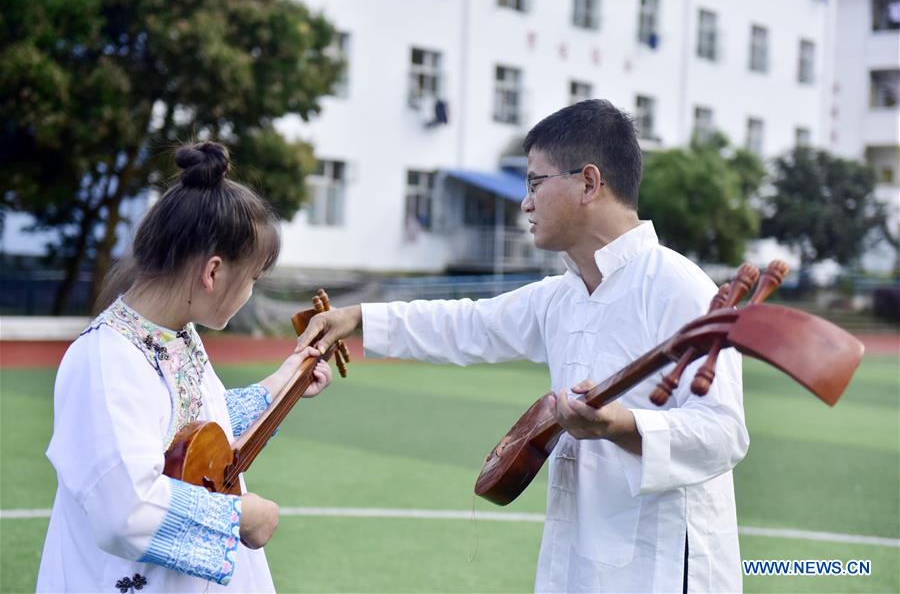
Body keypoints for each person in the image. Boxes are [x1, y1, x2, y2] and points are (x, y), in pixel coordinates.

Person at [296, 99, 749, 592]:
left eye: (535, 183)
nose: (525, 202)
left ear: (589, 183)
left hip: (662, 568)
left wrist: (619, 425)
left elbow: (723, 434)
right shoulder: (564, 293)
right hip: (579, 561)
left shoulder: (680, 288)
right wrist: (357, 317)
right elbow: (468, 324)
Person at [37, 142, 333, 592]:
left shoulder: (176, 335)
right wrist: (243, 515)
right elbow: (126, 510)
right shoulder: (106, 360)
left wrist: (283, 382)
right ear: (213, 272)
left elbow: (193, 440)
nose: (250, 292)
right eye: (252, 279)